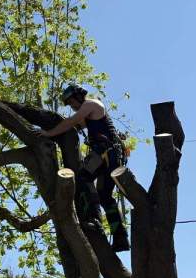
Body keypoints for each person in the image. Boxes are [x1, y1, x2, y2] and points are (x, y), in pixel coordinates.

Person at [39, 84, 130, 252]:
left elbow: (71, 122)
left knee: (82, 179)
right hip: (109, 157)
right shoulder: (88, 113)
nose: (71, 106)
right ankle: (120, 239)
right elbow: (75, 126)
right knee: (104, 196)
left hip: (104, 154)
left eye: (71, 101)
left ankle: (91, 219)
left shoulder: (91, 104)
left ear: (79, 96)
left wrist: (48, 134)